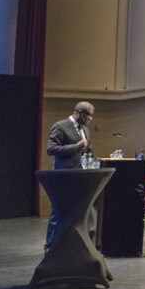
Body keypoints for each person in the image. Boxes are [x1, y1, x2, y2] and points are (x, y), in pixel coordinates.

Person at [44, 101, 96, 251]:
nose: (90, 120)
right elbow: (51, 149)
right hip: (63, 175)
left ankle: (73, 247)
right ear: (80, 112)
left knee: (79, 214)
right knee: (58, 213)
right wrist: (76, 146)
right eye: (89, 116)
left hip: (80, 177)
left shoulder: (86, 130)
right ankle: (50, 248)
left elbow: (87, 152)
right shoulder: (60, 126)